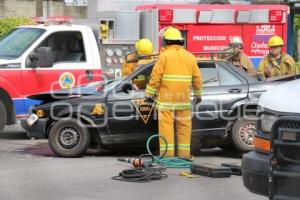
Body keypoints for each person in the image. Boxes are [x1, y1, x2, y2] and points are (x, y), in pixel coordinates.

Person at [145, 27, 203, 158]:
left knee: (166, 130)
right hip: (183, 101)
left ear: (166, 42)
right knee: (184, 129)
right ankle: (183, 156)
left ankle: (167, 157)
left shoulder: (164, 56)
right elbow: (197, 78)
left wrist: (149, 94)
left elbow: (155, 77)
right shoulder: (190, 57)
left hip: (166, 101)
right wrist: (198, 95)